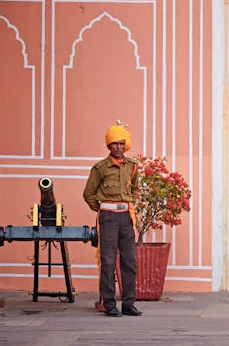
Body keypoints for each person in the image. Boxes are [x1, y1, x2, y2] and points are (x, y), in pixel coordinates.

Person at [83, 122, 141, 317]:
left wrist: (130, 201)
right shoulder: (100, 168)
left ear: (126, 146)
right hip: (107, 216)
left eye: (121, 143)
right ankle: (108, 304)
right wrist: (101, 209)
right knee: (108, 261)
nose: (118, 147)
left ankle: (128, 304)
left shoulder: (132, 167)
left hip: (126, 216)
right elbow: (88, 193)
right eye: (114, 143)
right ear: (108, 146)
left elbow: (134, 188)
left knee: (130, 261)